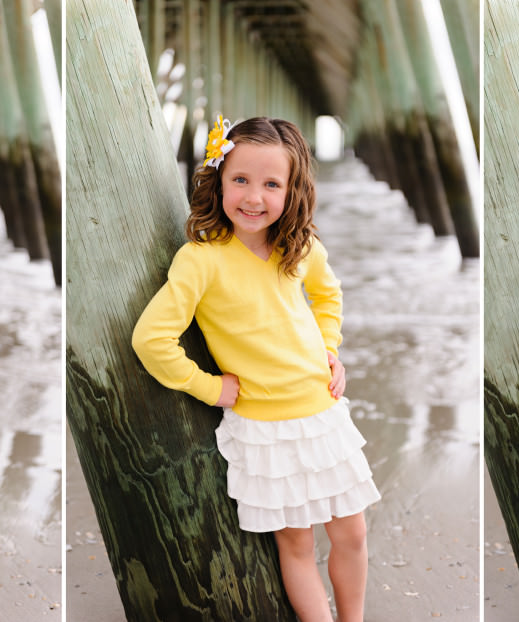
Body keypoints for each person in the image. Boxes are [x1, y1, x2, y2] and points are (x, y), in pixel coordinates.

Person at [132, 115, 381, 621]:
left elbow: (328, 296)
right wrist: (208, 387)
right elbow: (150, 338)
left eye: (272, 184)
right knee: (296, 546)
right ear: (217, 181)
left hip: (323, 412)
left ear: (293, 191)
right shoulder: (201, 259)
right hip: (263, 427)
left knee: (352, 532)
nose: (253, 197)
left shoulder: (299, 246)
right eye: (240, 180)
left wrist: (330, 348)